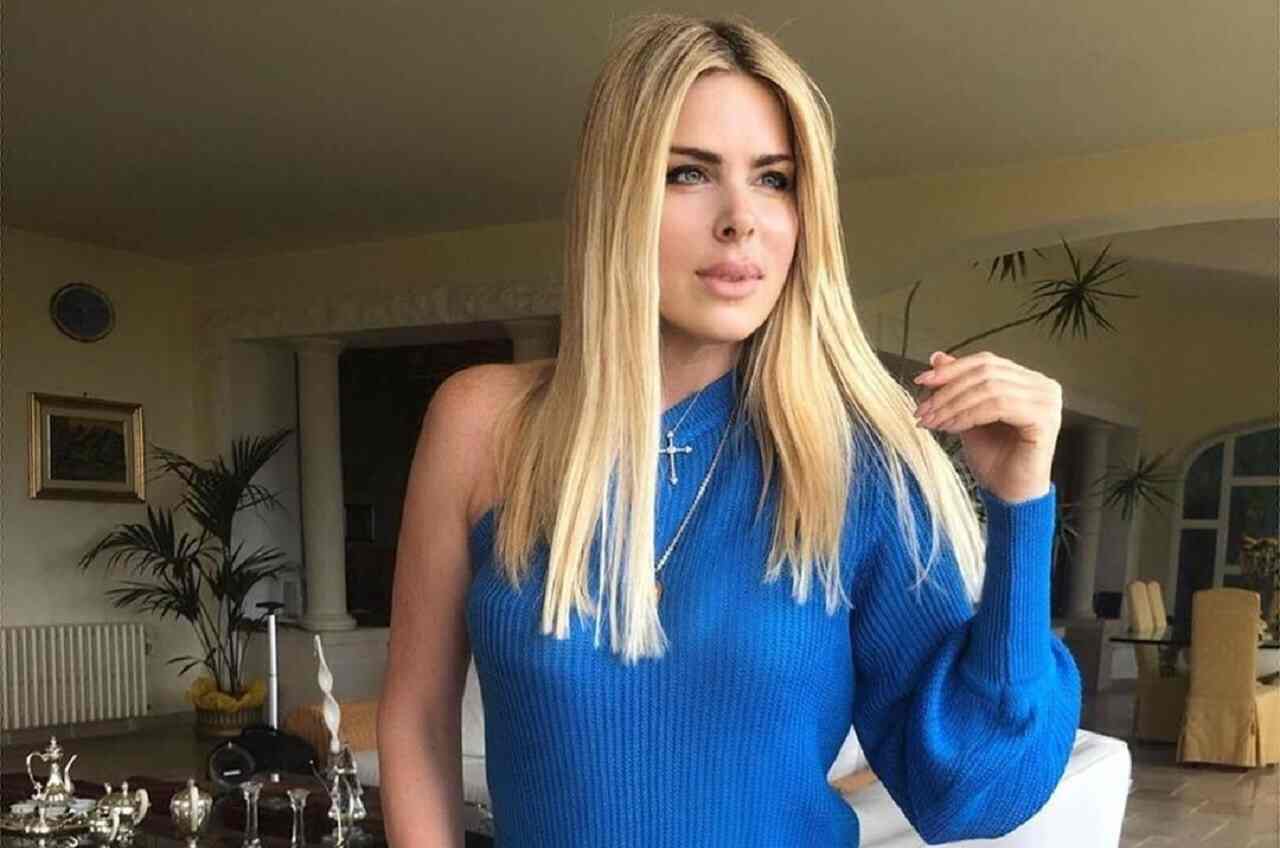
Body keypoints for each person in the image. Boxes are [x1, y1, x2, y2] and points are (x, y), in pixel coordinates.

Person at [378, 13, 1081, 847]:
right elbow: (418, 718)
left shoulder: (858, 462)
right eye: (688, 173)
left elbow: (974, 790)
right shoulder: (483, 424)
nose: (741, 218)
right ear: (615, 199)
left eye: (775, 179)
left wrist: (1021, 505)